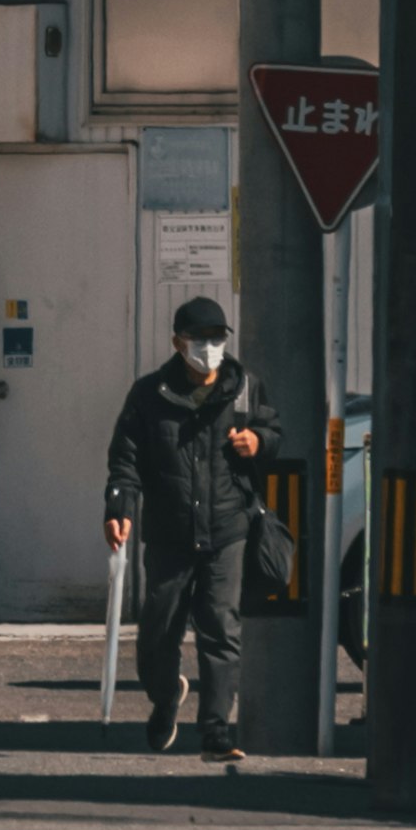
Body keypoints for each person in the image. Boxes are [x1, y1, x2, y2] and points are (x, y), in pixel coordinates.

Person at [104, 292, 277, 772]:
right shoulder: (148, 395)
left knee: (221, 627)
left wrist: (258, 441)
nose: (210, 348)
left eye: (218, 338)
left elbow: (274, 432)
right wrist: (119, 505)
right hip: (169, 532)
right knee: (158, 631)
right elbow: (126, 458)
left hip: (227, 528)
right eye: (199, 339)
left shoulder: (245, 389)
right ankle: (165, 697)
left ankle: (216, 730)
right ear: (177, 343)